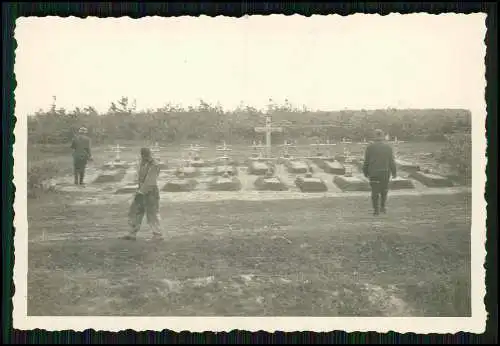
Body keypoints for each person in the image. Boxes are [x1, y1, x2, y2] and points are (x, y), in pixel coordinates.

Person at [123, 147, 163, 241]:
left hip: (151, 192)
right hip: (141, 190)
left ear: (149, 154)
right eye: (144, 155)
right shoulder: (141, 163)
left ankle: (157, 234)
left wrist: (141, 192)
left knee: (152, 213)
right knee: (136, 211)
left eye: (147, 155)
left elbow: (151, 181)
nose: (145, 157)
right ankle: (132, 233)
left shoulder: (154, 164)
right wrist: (139, 190)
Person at [363, 129, 397, 216]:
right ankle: (382, 207)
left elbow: (366, 161)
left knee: (374, 191)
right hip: (385, 172)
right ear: (382, 136)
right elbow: (391, 161)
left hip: (374, 172)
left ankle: (376, 210)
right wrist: (394, 172)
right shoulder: (388, 147)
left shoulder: (370, 147)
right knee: (384, 191)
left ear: (374, 136)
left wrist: (365, 172)